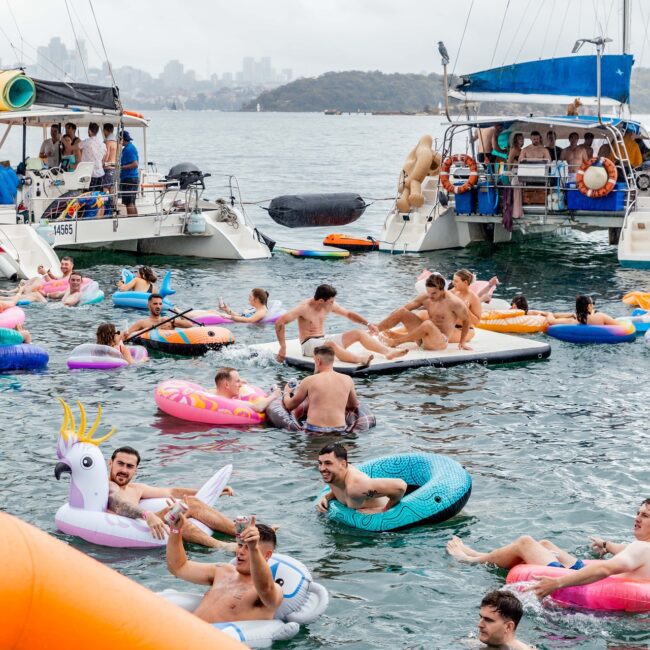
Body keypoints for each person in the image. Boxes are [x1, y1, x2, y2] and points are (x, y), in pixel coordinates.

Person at [447, 499, 650, 603]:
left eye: (645, 516)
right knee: (545, 545)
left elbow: (605, 570)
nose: (637, 518)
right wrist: (605, 545)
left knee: (525, 543)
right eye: (638, 513)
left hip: (589, 585)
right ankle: (478, 555)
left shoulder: (640, 548)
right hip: (616, 584)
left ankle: (470, 559)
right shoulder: (643, 548)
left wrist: (556, 583)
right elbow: (624, 550)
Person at [107, 445, 236, 549]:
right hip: (131, 527)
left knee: (190, 502)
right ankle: (222, 546)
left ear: (136, 470)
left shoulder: (135, 488)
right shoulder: (108, 486)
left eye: (129, 466)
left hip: (146, 520)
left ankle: (241, 531)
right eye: (120, 463)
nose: (124, 470)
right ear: (110, 463)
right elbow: (117, 504)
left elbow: (171, 492)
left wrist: (215, 491)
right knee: (175, 515)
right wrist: (147, 515)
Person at [166, 514, 283, 623]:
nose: (240, 552)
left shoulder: (273, 591)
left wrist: (254, 549)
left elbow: (265, 589)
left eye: (248, 548)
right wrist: (175, 530)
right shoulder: (222, 571)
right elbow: (178, 567)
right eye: (240, 545)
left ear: (267, 555)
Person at [275, 284, 407, 366]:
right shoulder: (303, 308)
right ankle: (359, 359)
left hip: (323, 340)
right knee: (331, 345)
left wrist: (368, 324)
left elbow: (348, 314)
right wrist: (282, 347)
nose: (333, 304)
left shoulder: (328, 305)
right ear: (321, 300)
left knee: (358, 333)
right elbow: (280, 322)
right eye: (331, 301)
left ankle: (388, 352)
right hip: (309, 345)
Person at [377, 273, 472, 351]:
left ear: (442, 290)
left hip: (438, 342)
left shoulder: (454, 303)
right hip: (421, 338)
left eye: (434, 293)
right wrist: (384, 322)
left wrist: (462, 343)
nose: (430, 296)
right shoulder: (426, 297)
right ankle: (373, 331)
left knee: (428, 324)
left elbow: (467, 321)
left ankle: (396, 342)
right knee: (402, 311)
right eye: (428, 292)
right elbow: (403, 309)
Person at [282, 345, 359, 434]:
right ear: (332, 361)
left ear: (318, 361)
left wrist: (286, 392)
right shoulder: (347, 379)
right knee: (337, 447)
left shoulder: (309, 380)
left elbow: (289, 406)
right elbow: (353, 405)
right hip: (339, 430)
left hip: (314, 430)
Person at [316, 443, 407, 514]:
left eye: (328, 463)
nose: (322, 468)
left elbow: (400, 486)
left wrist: (384, 510)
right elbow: (340, 489)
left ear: (343, 464)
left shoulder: (356, 487)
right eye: (320, 463)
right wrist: (326, 497)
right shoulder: (333, 476)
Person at [213, 366, 281, 413]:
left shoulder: (209, 394)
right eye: (237, 381)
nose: (240, 385)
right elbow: (258, 407)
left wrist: (236, 382)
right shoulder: (234, 402)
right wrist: (274, 395)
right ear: (227, 385)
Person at [126, 293, 193, 337]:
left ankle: (179, 312)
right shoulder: (142, 323)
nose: (158, 306)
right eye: (155, 304)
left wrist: (172, 321)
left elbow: (190, 325)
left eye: (160, 304)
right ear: (148, 306)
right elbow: (127, 334)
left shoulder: (168, 320)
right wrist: (145, 331)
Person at [546, 294, 619, 326]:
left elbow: (551, 321)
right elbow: (621, 327)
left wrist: (549, 314)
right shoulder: (600, 317)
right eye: (593, 303)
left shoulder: (572, 321)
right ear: (589, 306)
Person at [79, 122, 106, 191]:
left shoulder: (86, 142)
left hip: (88, 173)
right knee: (98, 196)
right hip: (100, 172)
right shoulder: (102, 144)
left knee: (88, 196)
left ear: (89, 131)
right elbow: (103, 158)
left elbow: (75, 147)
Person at [120, 130, 139, 215]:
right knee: (131, 202)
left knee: (129, 203)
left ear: (122, 139)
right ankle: (135, 219)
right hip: (130, 178)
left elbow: (135, 164)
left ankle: (132, 219)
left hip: (129, 178)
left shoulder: (129, 149)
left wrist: (122, 167)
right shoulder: (128, 148)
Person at [102, 123, 117, 190]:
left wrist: (102, 164)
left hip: (108, 168)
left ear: (105, 130)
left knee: (105, 189)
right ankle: (113, 200)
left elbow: (106, 155)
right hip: (114, 168)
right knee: (112, 189)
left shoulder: (108, 142)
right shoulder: (116, 142)